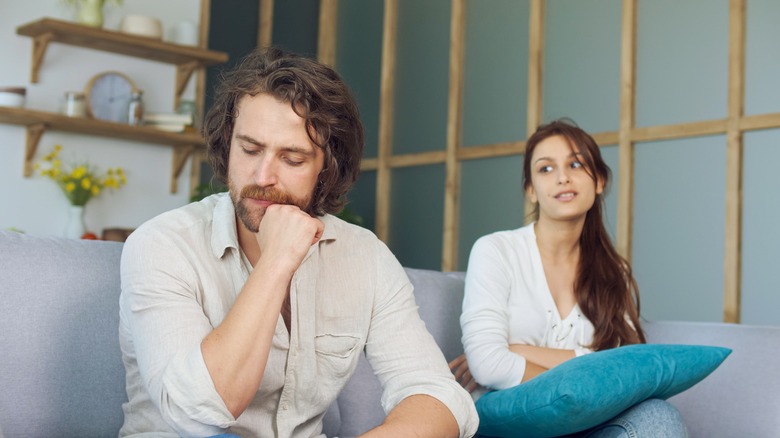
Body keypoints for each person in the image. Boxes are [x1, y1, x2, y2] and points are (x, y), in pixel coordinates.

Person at [118, 47, 478, 438]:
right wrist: (277, 261)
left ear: (328, 168)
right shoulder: (163, 245)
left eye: (292, 159)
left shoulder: (365, 256)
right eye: (250, 149)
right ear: (227, 142)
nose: (263, 175)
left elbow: (439, 394)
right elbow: (197, 411)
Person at [449, 119, 687, 437]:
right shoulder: (496, 250)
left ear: (599, 180)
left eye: (575, 164)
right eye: (546, 169)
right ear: (531, 190)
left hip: (586, 425)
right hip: (510, 420)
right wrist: (586, 378)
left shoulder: (614, 274)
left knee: (659, 416)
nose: (562, 177)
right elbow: (487, 365)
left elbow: (623, 370)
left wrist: (519, 350)